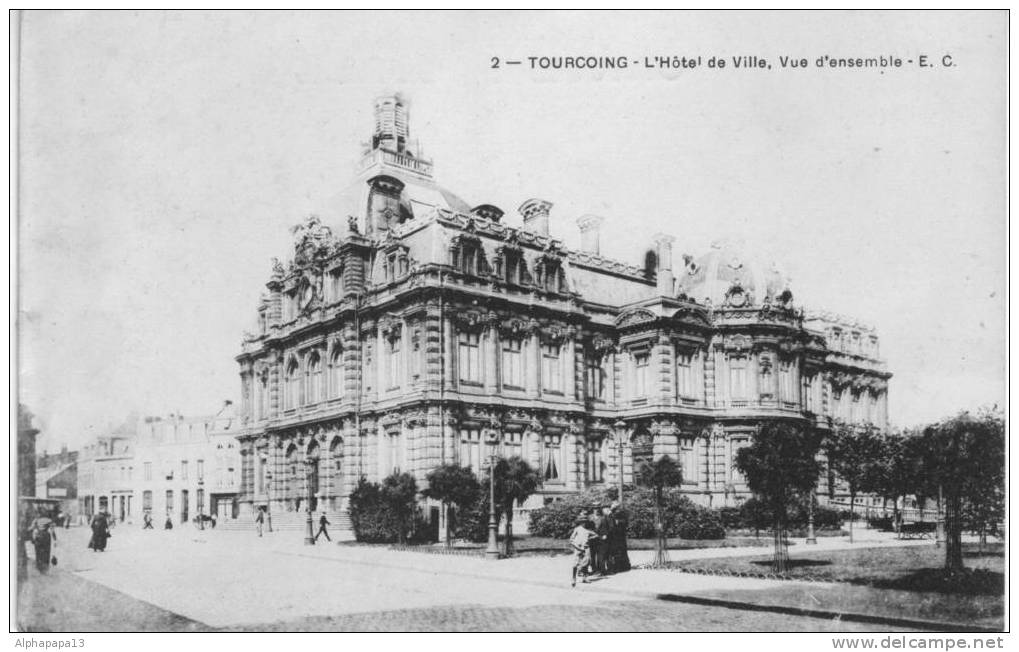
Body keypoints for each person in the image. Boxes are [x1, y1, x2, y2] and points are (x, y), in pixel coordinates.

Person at [569, 516, 598, 587]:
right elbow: (571, 539)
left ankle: (584, 578)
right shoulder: (577, 529)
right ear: (580, 522)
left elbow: (596, 535)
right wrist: (576, 546)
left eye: (585, 522)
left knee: (586, 563)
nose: (584, 523)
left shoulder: (588, 530)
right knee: (575, 564)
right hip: (578, 548)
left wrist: (589, 538)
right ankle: (573, 578)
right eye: (582, 522)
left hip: (586, 548)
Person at [607, 501, 630, 573]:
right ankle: (617, 566)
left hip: (620, 535)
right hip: (614, 535)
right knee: (615, 551)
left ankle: (622, 566)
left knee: (620, 551)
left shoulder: (621, 514)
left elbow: (625, 523)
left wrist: (619, 522)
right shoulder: (611, 514)